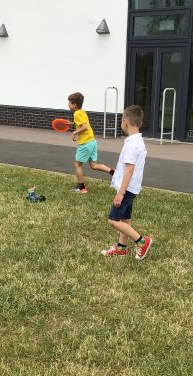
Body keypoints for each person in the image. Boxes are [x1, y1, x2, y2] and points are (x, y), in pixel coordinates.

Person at [101, 105, 153, 260]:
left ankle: (142, 241)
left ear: (125, 121)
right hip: (132, 188)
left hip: (127, 189)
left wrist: (121, 193)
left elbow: (129, 170)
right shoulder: (138, 141)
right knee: (125, 219)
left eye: (121, 120)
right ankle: (121, 248)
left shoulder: (132, 144)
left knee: (113, 220)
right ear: (140, 123)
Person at [67, 92, 114, 193]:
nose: (68, 105)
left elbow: (85, 127)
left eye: (69, 103)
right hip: (92, 141)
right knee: (94, 165)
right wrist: (72, 123)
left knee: (77, 165)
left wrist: (75, 132)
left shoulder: (76, 114)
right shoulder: (82, 112)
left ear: (74, 105)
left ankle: (81, 188)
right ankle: (114, 173)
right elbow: (83, 123)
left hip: (85, 143)